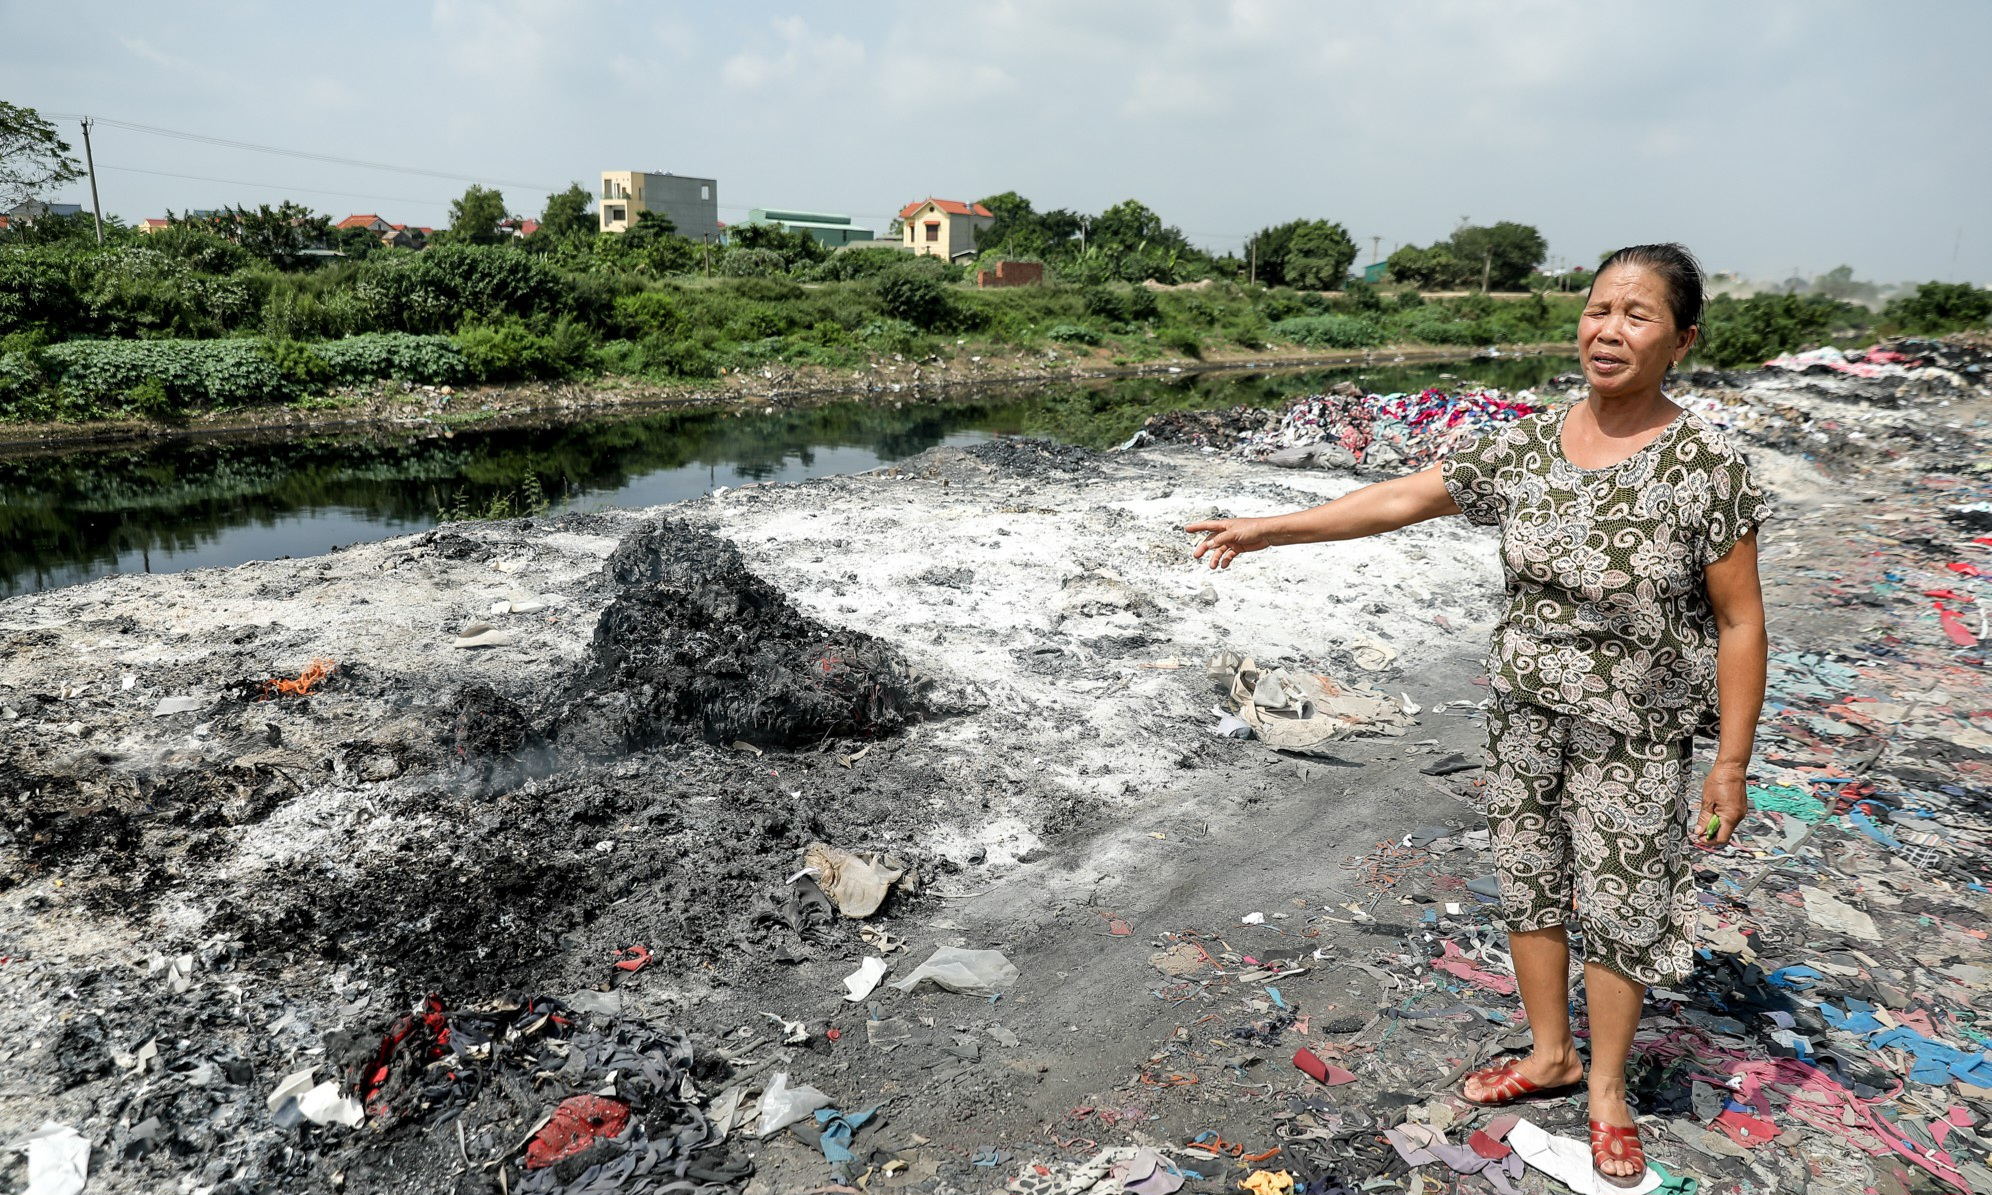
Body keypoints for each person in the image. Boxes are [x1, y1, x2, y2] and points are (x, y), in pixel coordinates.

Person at [1186, 244, 1768, 1187]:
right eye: (1596, 308)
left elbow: (1741, 618)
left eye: (1637, 314)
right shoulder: (1528, 443)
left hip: (1637, 729)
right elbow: (1404, 497)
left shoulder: (1706, 462)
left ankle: (1608, 1090)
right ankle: (1552, 1056)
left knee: (1623, 906)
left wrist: (1731, 761)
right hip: (1525, 713)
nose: (1607, 330)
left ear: (1682, 340)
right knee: (1531, 883)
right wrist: (1265, 527)